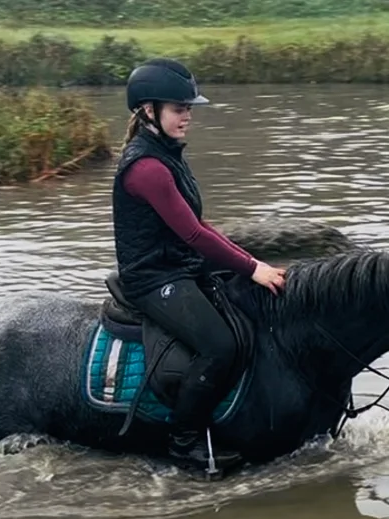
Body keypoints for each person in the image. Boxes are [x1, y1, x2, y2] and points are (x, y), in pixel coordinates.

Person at [111, 57, 287, 471]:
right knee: (219, 346)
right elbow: (193, 234)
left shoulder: (168, 154)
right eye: (179, 109)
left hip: (180, 265)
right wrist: (253, 268)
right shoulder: (147, 168)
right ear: (149, 110)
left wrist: (250, 262)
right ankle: (184, 440)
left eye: (189, 108)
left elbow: (198, 225)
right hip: (152, 278)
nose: (187, 116)